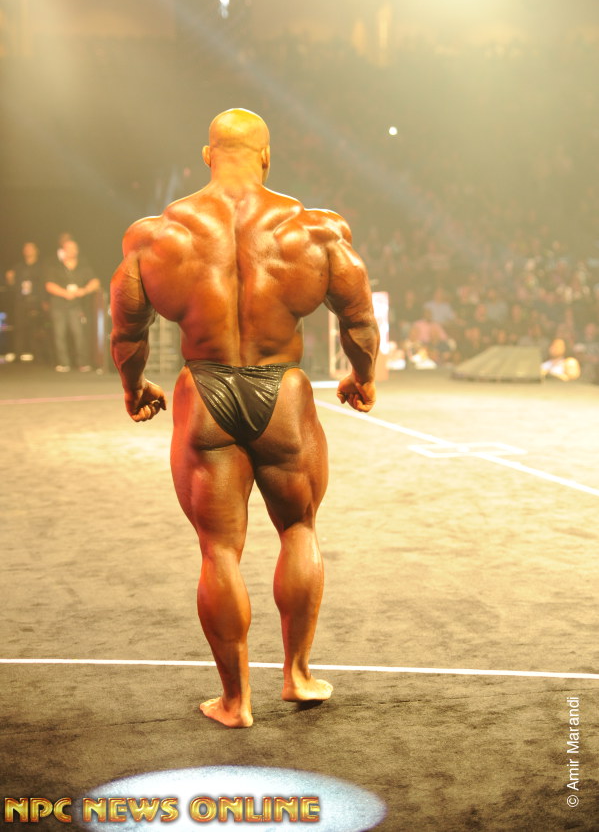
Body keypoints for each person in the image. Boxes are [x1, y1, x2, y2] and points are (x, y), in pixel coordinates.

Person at [110, 108, 379, 728]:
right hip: (282, 393)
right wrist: (361, 376)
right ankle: (298, 676)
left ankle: (235, 702)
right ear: (266, 155)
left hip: (204, 391)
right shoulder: (314, 229)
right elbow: (359, 319)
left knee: (218, 551)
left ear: (208, 155)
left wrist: (134, 387)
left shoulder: (156, 235)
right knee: (299, 530)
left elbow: (127, 331)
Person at [45, 239, 100, 371]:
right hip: (58, 305)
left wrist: (84, 290)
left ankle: (82, 362)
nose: (71, 251)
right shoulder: (55, 267)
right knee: (59, 334)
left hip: (76, 306)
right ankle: (63, 363)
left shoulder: (83, 267)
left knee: (79, 333)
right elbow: (49, 285)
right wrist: (65, 293)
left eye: (73, 248)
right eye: (68, 248)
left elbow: (95, 282)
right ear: (63, 251)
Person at [4, 242, 46, 362]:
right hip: (21, 300)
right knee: (19, 328)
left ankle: (38, 355)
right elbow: (12, 285)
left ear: (36, 250)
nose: (28, 250)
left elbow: (44, 285)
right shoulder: (18, 267)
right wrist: (9, 278)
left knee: (36, 328)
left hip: (36, 300)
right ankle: (18, 354)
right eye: (26, 248)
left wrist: (43, 301)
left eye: (30, 248)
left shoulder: (42, 267)